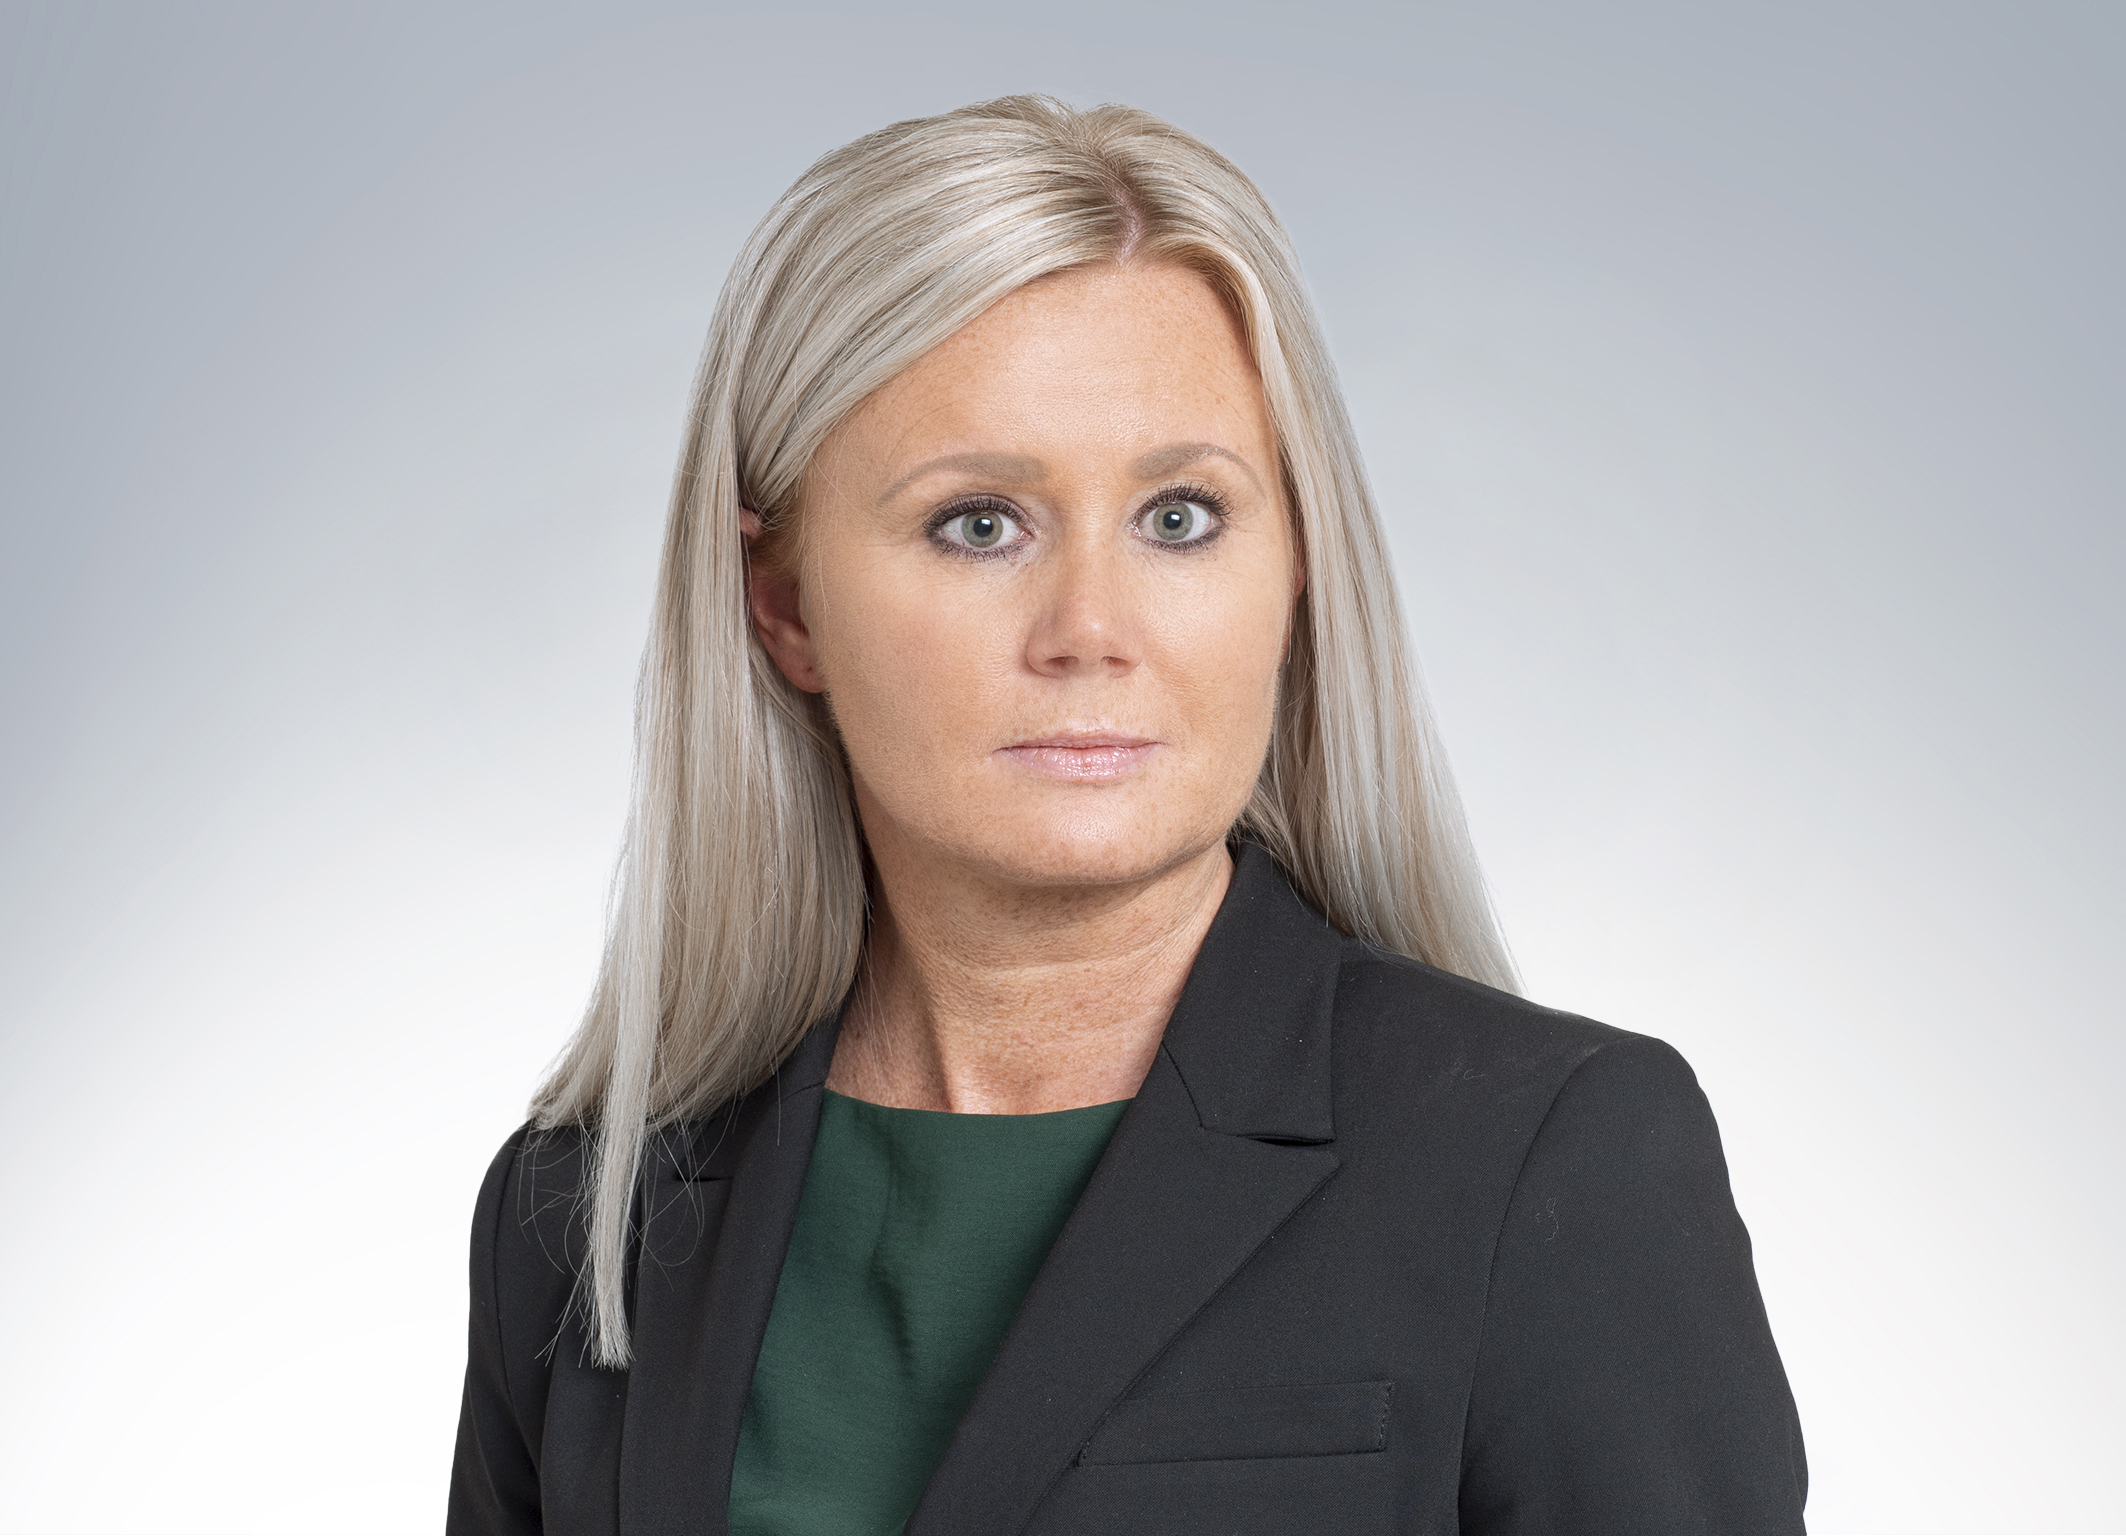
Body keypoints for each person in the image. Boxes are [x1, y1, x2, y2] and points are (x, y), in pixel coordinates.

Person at [446, 96, 1806, 1536]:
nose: (1090, 630)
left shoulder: (1547, 1161)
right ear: (782, 607)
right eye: (979, 523)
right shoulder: (582, 1215)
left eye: (1178, 518)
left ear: (1295, 569)